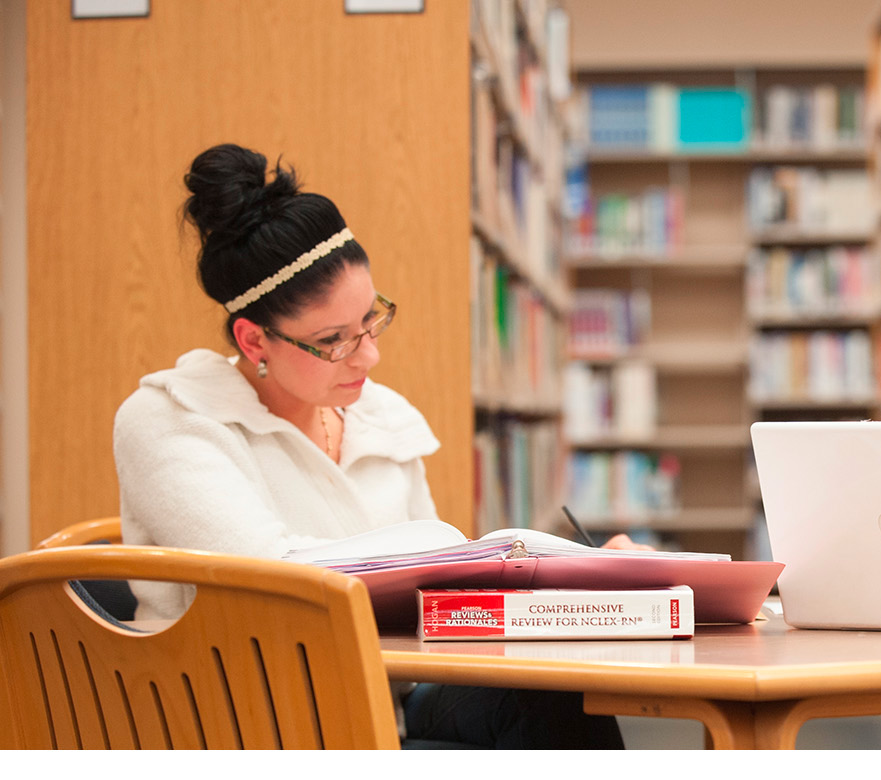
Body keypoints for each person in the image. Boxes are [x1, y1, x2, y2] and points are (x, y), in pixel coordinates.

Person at [114, 142, 629, 749]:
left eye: (372, 320)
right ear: (254, 342)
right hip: (247, 729)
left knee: (552, 694)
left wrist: (568, 585)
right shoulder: (172, 419)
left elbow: (436, 607)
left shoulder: (381, 418)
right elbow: (266, 588)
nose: (369, 355)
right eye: (334, 340)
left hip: (380, 706)